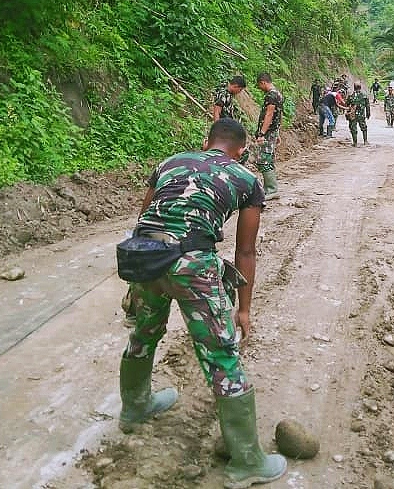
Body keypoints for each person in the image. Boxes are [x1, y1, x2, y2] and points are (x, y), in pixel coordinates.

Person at [119, 118, 286, 487]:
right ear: (241, 150)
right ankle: (247, 461)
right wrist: (243, 309)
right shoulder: (246, 179)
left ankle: (134, 407)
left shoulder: (171, 162)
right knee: (222, 354)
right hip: (191, 263)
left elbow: (144, 221)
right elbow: (245, 250)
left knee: (144, 334)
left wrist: (136, 281)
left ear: (206, 142)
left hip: (144, 256)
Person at [254, 73, 284, 200]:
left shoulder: (271, 96)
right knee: (268, 159)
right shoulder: (278, 94)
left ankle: (272, 189)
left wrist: (262, 133)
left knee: (263, 160)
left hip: (268, 133)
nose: (260, 88)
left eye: (259, 85)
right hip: (272, 132)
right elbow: (279, 116)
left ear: (263, 82)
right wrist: (277, 133)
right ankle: (269, 189)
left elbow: (269, 115)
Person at [346, 82, 371, 147]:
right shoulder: (364, 96)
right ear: (360, 87)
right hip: (361, 115)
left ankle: (355, 143)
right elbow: (367, 106)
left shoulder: (351, 96)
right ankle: (365, 141)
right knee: (364, 127)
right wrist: (368, 114)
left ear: (354, 87)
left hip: (353, 115)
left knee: (353, 128)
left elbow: (347, 104)